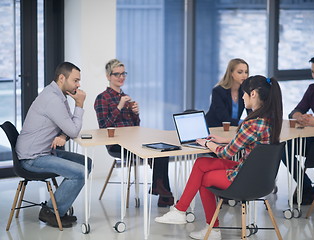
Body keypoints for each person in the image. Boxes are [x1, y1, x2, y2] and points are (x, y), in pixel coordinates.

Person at [155, 75, 283, 240]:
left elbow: (226, 153)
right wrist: (225, 140)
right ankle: (181, 211)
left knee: (204, 177)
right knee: (202, 163)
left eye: (244, 93)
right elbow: (254, 143)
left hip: (244, 179)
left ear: (253, 94)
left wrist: (206, 144)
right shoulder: (271, 120)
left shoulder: (250, 124)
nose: (242, 97)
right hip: (262, 181)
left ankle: (205, 225)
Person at [16, 62, 92, 228]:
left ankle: (59, 209)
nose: (78, 85)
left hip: (45, 152)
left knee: (86, 163)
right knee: (80, 172)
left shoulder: (57, 94)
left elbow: (68, 127)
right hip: (33, 157)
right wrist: (79, 104)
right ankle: (50, 211)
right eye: (76, 80)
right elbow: (73, 130)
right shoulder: (52, 99)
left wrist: (64, 135)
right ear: (62, 78)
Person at [94, 59, 173, 207]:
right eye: (117, 74)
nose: (121, 77)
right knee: (156, 152)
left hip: (134, 141)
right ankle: (163, 193)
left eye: (123, 73)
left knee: (162, 150)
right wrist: (120, 106)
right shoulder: (102, 98)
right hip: (116, 144)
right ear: (108, 76)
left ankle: (161, 189)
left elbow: (135, 126)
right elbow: (103, 126)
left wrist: (135, 113)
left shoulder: (125, 97)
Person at [285, 54, 314, 205]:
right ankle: (305, 185)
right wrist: (300, 117)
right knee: (284, 147)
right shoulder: (312, 89)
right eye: (313, 72)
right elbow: (295, 111)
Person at [205, 58, 251, 127]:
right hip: (215, 128)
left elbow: (251, 112)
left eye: (246, 72)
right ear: (231, 73)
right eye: (240, 72)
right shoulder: (218, 91)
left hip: (232, 128)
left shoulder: (244, 92)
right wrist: (244, 123)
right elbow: (223, 118)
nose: (244, 75)